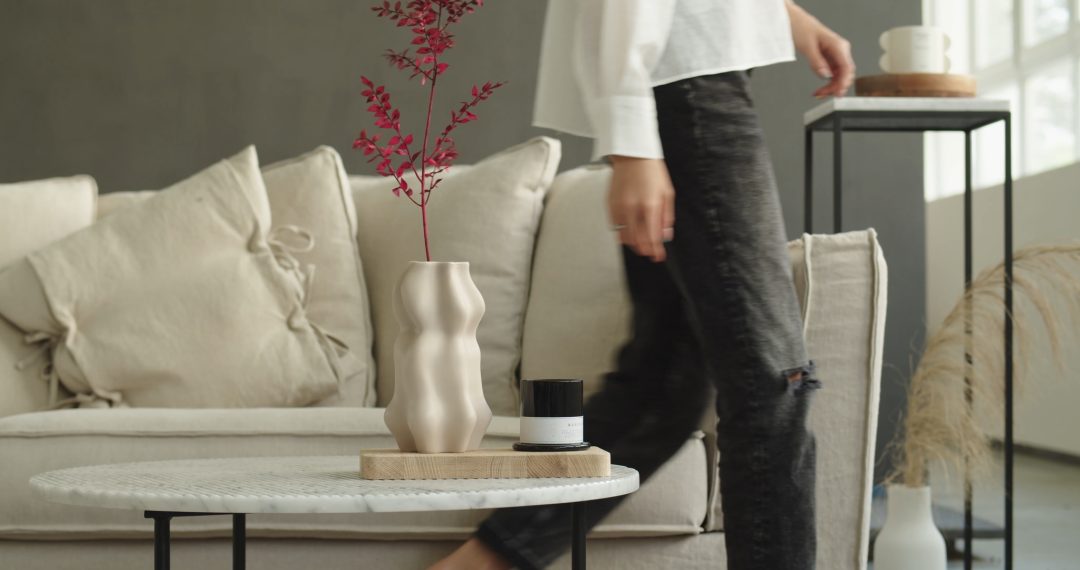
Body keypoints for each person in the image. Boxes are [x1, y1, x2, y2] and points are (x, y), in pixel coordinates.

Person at [432, 1, 854, 568]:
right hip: (686, 81)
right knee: (772, 379)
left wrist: (781, 15)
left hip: (690, 71)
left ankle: (477, 565)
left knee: (663, 385)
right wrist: (631, 138)